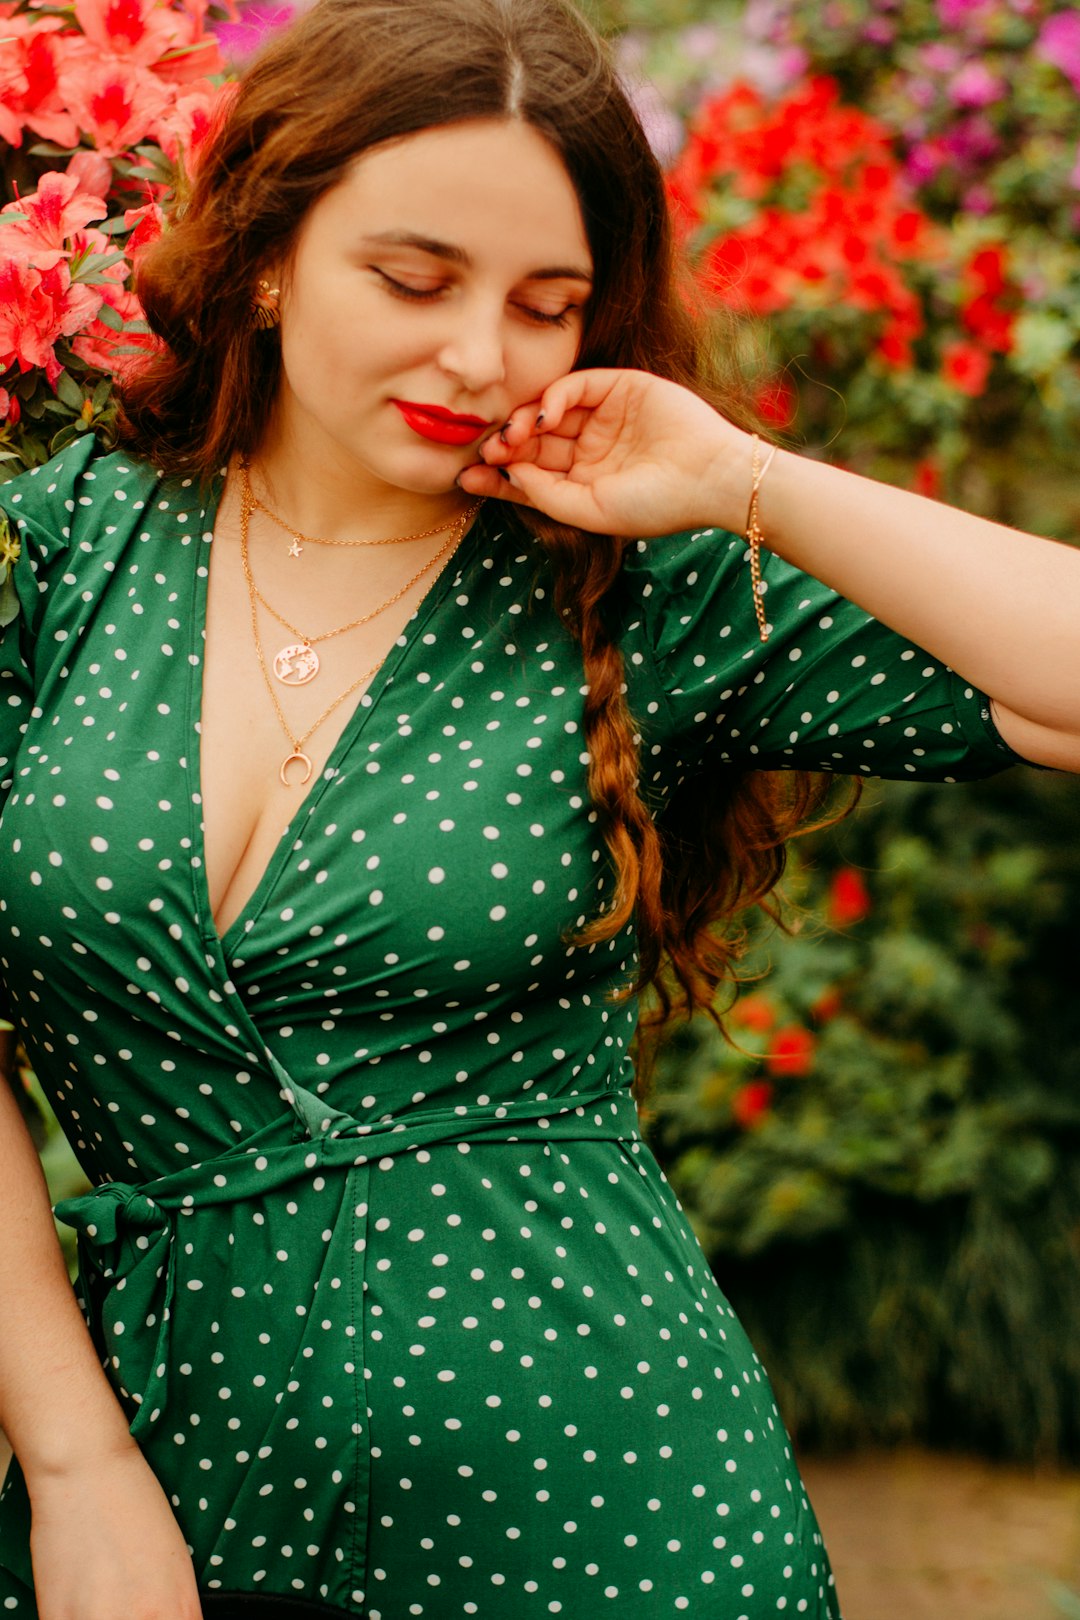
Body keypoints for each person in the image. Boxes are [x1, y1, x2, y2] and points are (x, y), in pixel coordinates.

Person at [0, 0, 1077, 1615]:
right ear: (272, 254)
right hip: (158, 1490)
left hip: (599, 1495)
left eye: (548, 304)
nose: (481, 354)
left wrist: (745, 483)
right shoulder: (57, 552)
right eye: (414, 280)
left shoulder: (643, 586)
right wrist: (75, 1466)